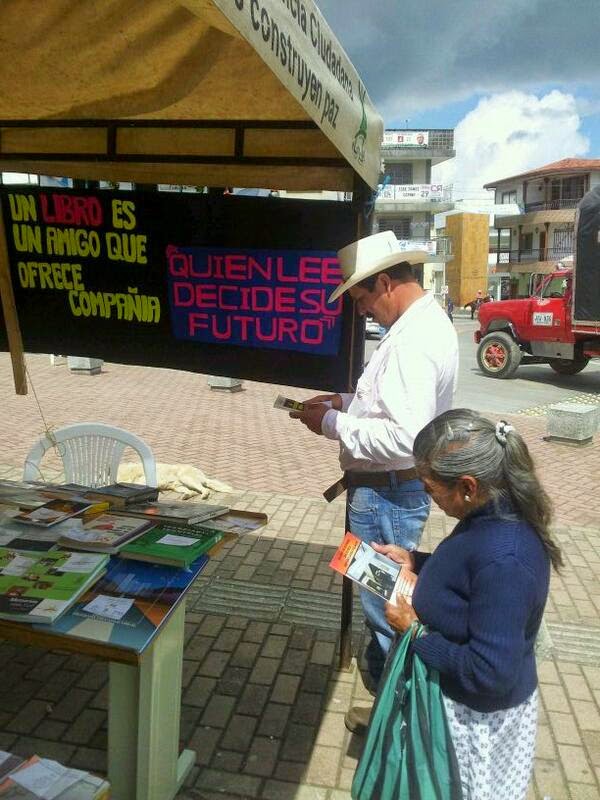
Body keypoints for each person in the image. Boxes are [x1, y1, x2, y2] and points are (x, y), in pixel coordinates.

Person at [289, 230, 459, 721]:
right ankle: (392, 698)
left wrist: (331, 422)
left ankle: (395, 716)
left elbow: (405, 438)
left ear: (384, 283)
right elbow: (387, 409)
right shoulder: (419, 327)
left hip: (386, 495)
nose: (360, 310)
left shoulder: (412, 340)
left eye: (361, 297)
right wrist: (341, 403)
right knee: (383, 604)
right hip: (387, 492)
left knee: (386, 609)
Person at [371, 409, 562, 799]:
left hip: (472, 725)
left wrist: (414, 631)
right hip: (456, 709)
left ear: (468, 487)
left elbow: (490, 673)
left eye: (429, 488)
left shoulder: (505, 557)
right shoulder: (489, 516)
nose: (429, 497)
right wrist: (415, 561)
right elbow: (467, 575)